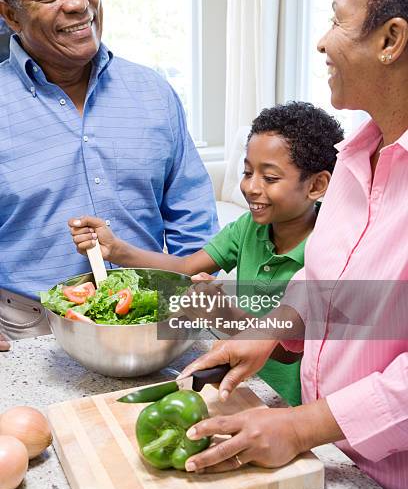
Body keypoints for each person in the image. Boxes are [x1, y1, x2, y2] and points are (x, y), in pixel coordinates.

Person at [170, 0, 408, 489]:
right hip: (329, 460)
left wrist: (303, 427)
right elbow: (326, 282)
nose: (323, 40)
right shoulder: (356, 158)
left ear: (391, 40)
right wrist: (272, 329)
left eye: (336, 19)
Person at [0, 0, 218, 342]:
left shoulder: (153, 92)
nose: (78, 4)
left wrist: (195, 284)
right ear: (10, 14)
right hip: (28, 327)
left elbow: (192, 214)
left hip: (151, 316)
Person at [69, 101, 344, 407]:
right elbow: (186, 266)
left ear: (317, 185)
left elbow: (288, 350)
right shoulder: (247, 227)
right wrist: (117, 249)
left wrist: (223, 314)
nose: (251, 187)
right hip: (244, 385)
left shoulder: (330, 252)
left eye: (269, 178)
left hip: (291, 404)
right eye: (247, 171)